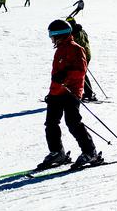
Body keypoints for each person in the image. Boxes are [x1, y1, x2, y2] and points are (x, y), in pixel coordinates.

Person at [38, 19, 98, 170]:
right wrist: (51, 93)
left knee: (73, 123)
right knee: (51, 124)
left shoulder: (76, 49)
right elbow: (55, 76)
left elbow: (80, 71)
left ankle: (90, 152)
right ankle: (57, 152)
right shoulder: (59, 49)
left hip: (71, 92)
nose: (51, 38)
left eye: (52, 35)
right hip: (57, 93)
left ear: (59, 35)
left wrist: (65, 76)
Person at [66, 17, 96, 101]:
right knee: (82, 73)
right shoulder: (82, 31)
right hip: (86, 54)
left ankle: (88, 94)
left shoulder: (74, 33)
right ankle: (88, 93)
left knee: (80, 74)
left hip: (82, 55)